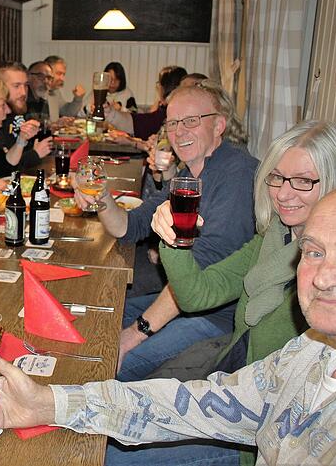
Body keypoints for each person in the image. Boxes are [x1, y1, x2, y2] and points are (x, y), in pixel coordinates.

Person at [0, 179, 336, 466]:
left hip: (215, 339)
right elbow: (193, 404)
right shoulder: (311, 350)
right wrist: (46, 402)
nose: (323, 276)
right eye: (314, 252)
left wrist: (136, 333)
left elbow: (198, 299)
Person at [107, 121, 336, 465]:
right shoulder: (273, 237)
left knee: (114, 454)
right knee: (119, 415)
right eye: (277, 178)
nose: (284, 193)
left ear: (333, 184)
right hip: (231, 383)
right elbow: (197, 294)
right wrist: (175, 239)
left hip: (254, 439)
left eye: (303, 181)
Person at [76, 81, 259, 382]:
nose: (179, 131)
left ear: (218, 125)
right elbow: (128, 227)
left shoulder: (237, 176)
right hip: (182, 303)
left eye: (191, 121)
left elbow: (198, 277)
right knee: (96, 317)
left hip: (214, 320)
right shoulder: (190, 174)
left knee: (106, 364)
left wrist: (134, 335)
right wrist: (101, 196)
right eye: (172, 123)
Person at [0, 62, 53, 170]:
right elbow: (4, 168)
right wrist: (35, 154)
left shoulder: (20, 109)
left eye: (26, 85)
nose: (23, 92)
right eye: (16, 86)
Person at [106, 65, 187, 140]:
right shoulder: (165, 110)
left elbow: (139, 122)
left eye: (159, 83)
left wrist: (110, 113)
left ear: (165, 88)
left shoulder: (167, 113)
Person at [44, 55, 86, 121]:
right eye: (58, 73)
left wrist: (78, 98)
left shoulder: (55, 91)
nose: (62, 78)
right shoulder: (39, 92)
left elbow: (67, 113)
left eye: (63, 74)